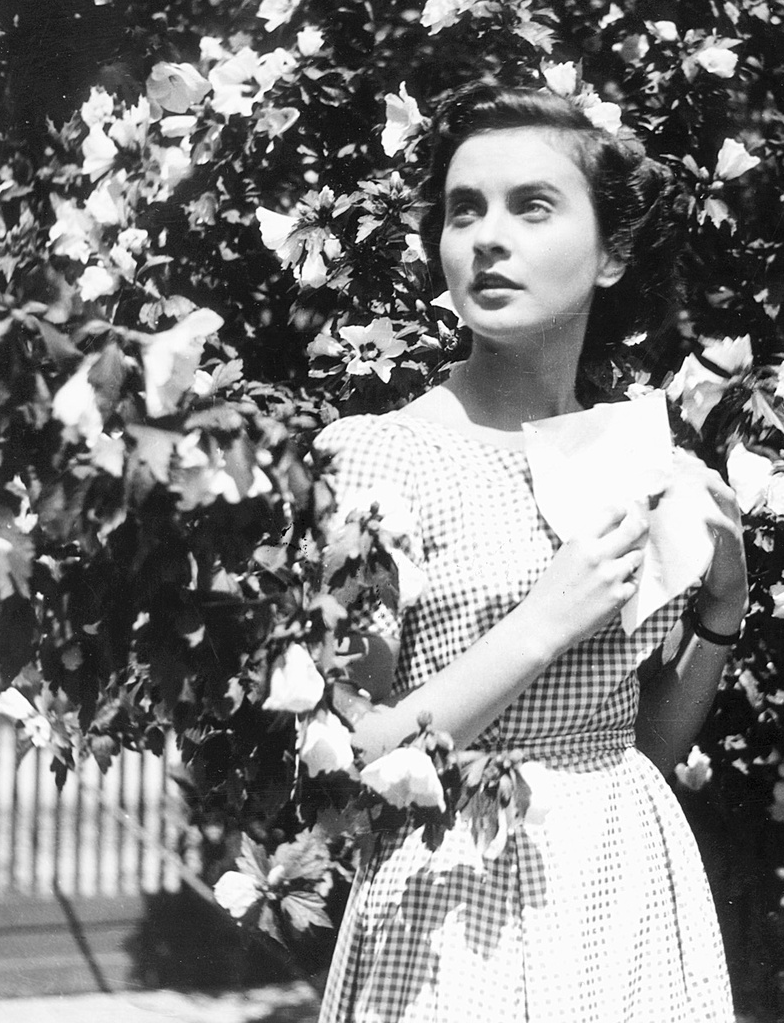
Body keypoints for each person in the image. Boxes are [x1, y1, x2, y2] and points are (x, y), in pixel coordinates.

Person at [316, 82, 747, 1023]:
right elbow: (350, 766)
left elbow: (632, 748)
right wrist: (541, 623)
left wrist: (722, 612)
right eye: (464, 209)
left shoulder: (634, 453)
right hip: (453, 903)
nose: (487, 238)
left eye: (532, 206)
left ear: (612, 253)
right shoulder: (379, 458)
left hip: (622, 891)